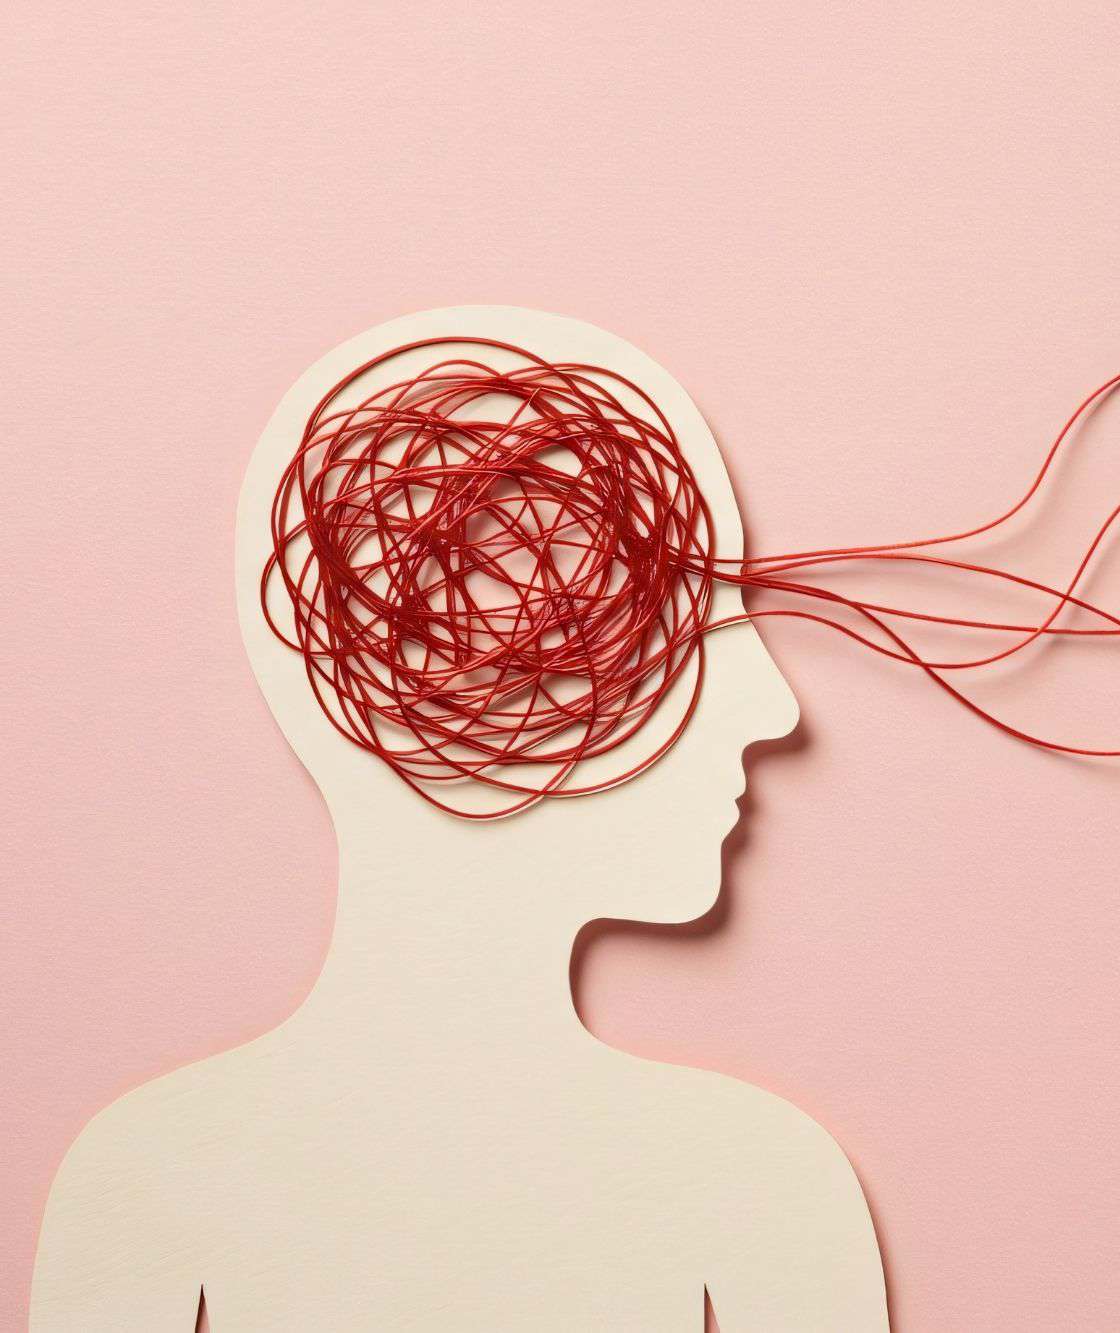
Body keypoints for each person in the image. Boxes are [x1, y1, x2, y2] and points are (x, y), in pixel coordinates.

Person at [31, 308, 890, 1331]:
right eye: (680, 622)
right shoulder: (151, 1190)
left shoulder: (761, 1190)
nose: (778, 707)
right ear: (401, 692)